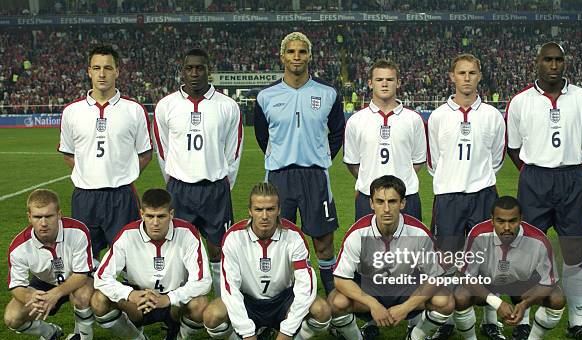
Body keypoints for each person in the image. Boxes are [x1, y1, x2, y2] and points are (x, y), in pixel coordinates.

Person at [506, 42, 582, 340]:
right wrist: (539, 167)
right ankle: (524, 321)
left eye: (559, 59)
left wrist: (566, 164)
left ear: (565, 63)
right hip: (534, 179)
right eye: (547, 59)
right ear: (537, 63)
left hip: (571, 179)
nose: (553, 65)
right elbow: (513, 148)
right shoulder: (520, 101)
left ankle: (577, 322)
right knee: (525, 255)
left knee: (574, 253)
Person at [58, 44, 153, 340]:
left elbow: (145, 153)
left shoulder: (133, 110)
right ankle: (81, 333)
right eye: (96, 67)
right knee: (80, 267)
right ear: (89, 71)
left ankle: (137, 321)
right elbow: (69, 155)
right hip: (85, 199)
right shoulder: (72, 112)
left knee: (129, 262)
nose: (102, 73)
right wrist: (92, 176)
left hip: (121, 197)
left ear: (117, 71)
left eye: (108, 67)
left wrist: (120, 176)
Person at [203, 182, 331, 340]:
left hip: (283, 301)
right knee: (212, 315)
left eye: (270, 209)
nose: (264, 216)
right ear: (250, 210)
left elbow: (307, 285)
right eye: (259, 209)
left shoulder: (294, 236)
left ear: (279, 209)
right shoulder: (234, 238)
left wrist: (288, 330)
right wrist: (247, 333)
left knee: (322, 310)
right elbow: (230, 288)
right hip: (249, 301)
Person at [254, 32, 345, 297]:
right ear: (282, 56)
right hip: (279, 176)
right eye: (291, 52)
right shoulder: (266, 96)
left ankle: (330, 294)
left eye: (302, 52)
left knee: (323, 240)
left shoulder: (327, 93)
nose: (297, 57)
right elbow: (262, 135)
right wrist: (280, 155)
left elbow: (337, 131)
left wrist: (320, 156)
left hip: (315, 175)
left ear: (309, 55)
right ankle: (281, 296)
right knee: (276, 239)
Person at [329, 175, 453, 340]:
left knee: (445, 301)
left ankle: (417, 337)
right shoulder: (357, 234)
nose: (386, 209)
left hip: (405, 291)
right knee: (336, 302)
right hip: (371, 291)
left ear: (403, 203)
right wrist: (373, 304)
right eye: (380, 201)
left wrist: (406, 307)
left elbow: (435, 278)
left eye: (392, 201)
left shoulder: (418, 233)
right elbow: (340, 280)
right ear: (371, 203)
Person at [426, 53, 506, 340]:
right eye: (462, 73)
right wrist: (455, 179)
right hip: (448, 197)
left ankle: (491, 319)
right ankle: (446, 319)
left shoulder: (492, 115)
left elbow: (496, 159)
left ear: (479, 76)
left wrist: (476, 179)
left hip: (483, 195)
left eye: (472, 73)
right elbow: (433, 161)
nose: (467, 78)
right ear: (452, 76)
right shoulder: (437, 116)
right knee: (447, 260)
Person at [153, 48, 243, 303]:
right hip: (180, 191)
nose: (194, 73)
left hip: (215, 190)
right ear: (182, 70)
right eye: (189, 68)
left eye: (200, 68)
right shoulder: (166, 106)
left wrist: (223, 184)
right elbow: (163, 150)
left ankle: (223, 308)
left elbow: (233, 152)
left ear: (208, 70)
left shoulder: (227, 106)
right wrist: (174, 181)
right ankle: (179, 316)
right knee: (179, 253)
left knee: (218, 251)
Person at [91, 189, 211, 340]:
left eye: (161, 216)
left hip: (173, 304)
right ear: (141, 214)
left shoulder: (188, 233)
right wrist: (130, 294)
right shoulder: (127, 235)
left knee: (200, 303)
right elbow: (101, 277)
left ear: (171, 214)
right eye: (150, 216)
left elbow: (203, 281)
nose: (155, 223)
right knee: (99, 300)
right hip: (139, 304)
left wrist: (169, 298)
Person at [454, 196, 565, 340]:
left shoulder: (538, 239)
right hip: (488, 283)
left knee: (557, 298)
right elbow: (465, 276)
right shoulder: (478, 234)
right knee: (460, 295)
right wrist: (497, 303)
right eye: (500, 221)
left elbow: (549, 282)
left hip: (522, 285)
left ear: (521, 219)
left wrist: (525, 303)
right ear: (491, 219)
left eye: (513, 221)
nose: (506, 227)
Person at [4, 189, 96, 340]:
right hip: (44, 281)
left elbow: (81, 274)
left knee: (83, 296)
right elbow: (16, 286)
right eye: (38, 217)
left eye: (49, 216)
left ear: (59, 214)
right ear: (29, 216)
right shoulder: (18, 247)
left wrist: (56, 293)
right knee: (12, 317)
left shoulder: (78, 231)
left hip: (78, 277)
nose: (43, 223)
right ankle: (49, 333)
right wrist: (31, 296)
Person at [344, 59, 426, 222]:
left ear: (398, 83)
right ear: (370, 83)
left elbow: (417, 161)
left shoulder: (413, 119)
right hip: (369, 198)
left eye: (389, 79)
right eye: (379, 79)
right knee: (370, 248)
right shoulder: (356, 120)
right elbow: (353, 163)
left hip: (406, 197)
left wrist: (397, 186)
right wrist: (371, 182)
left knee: (408, 248)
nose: (384, 84)